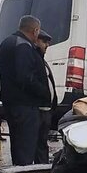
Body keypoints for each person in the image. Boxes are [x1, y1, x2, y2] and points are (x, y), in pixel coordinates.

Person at [0, 15, 52, 166]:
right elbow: (25, 77)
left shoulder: (7, 42)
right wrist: (43, 92)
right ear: (35, 31)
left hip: (11, 102)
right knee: (26, 150)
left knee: (18, 145)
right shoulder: (24, 46)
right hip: (25, 105)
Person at [34, 29, 58, 164]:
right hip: (38, 110)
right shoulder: (34, 58)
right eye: (44, 41)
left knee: (42, 143)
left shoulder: (42, 61)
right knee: (37, 143)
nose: (47, 45)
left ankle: (42, 165)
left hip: (46, 110)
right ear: (36, 40)